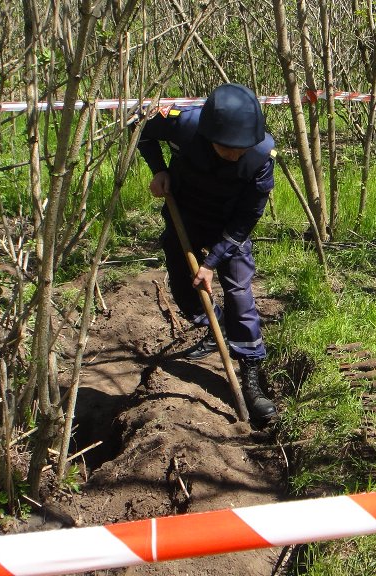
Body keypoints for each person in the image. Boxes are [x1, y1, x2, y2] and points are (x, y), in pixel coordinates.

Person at [134, 83, 277, 423]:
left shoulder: (261, 155)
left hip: (230, 229)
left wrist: (213, 261)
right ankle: (217, 329)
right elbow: (140, 128)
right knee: (186, 290)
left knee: (240, 292)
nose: (234, 154)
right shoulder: (183, 123)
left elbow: (248, 216)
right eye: (227, 147)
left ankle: (250, 375)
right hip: (185, 216)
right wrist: (159, 169)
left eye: (241, 148)